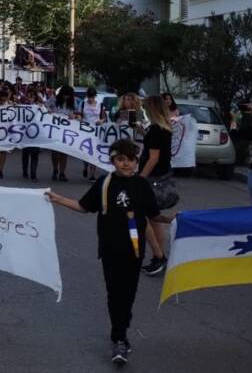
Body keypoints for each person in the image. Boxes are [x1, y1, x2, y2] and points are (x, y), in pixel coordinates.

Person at [47, 139, 173, 365]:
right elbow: (83, 207)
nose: (126, 164)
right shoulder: (104, 183)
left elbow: (154, 216)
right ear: (113, 160)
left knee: (128, 295)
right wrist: (57, 199)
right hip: (109, 250)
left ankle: (121, 329)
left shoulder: (142, 186)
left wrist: (171, 219)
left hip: (134, 251)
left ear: (137, 161)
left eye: (131, 160)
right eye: (121, 159)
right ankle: (119, 338)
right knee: (115, 294)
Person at [139, 95, 175, 276]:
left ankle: (159, 256)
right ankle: (159, 256)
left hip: (152, 179)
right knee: (154, 219)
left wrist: (139, 178)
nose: (143, 110)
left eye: (145, 107)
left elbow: (153, 158)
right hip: (161, 177)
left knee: (145, 218)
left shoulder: (155, 130)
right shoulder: (164, 128)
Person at [52, 86, 78, 182]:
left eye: (68, 95)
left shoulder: (73, 102)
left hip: (66, 131)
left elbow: (78, 113)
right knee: (55, 152)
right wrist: (49, 111)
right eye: (65, 95)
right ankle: (55, 169)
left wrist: (74, 115)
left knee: (64, 152)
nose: (66, 97)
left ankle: (62, 172)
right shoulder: (54, 100)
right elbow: (45, 106)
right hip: (55, 129)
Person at [81, 88, 106, 181]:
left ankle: (92, 174)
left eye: (92, 97)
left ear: (95, 96)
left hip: (96, 131)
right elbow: (80, 115)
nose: (90, 99)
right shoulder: (84, 104)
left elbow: (104, 118)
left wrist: (101, 121)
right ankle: (85, 167)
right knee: (85, 152)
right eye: (89, 97)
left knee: (94, 153)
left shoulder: (100, 105)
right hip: (85, 130)